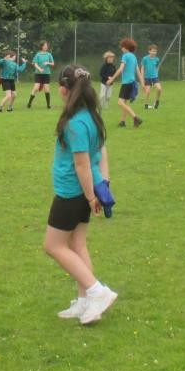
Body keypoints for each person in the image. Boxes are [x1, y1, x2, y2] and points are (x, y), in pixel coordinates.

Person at [43, 65, 118, 326]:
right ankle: (85, 302)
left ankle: (98, 292)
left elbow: (83, 164)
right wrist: (102, 186)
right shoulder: (91, 116)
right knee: (77, 245)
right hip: (86, 191)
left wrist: (89, 197)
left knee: (52, 246)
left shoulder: (75, 123)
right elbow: (103, 152)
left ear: (66, 89)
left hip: (71, 192)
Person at [114, 38, 144, 128]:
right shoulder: (133, 56)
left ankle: (135, 118)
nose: (121, 48)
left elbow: (121, 69)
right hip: (132, 82)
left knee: (120, 102)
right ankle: (122, 122)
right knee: (125, 102)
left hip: (126, 83)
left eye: (122, 46)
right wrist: (142, 83)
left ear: (125, 47)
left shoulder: (125, 56)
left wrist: (112, 78)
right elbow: (138, 71)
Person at [28, 41, 55, 109]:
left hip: (46, 74)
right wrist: (39, 69)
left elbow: (53, 64)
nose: (46, 46)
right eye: (45, 45)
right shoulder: (38, 55)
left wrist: (48, 63)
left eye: (46, 45)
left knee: (47, 89)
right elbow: (34, 63)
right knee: (36, 88)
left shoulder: (49, 55)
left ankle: (48, 105)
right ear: (42, 46)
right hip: (38, 74)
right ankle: (29, 103)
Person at [141, 44, 162, 110]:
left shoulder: (157, 59)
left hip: (155, 77)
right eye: (153, 51)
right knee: (148, 92)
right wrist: (142, 78)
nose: (154, 52)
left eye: (155, 51)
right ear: (149, 51)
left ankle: (157, 101)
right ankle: (146, 105)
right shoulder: (145, 58)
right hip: (147, 77)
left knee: (159, 89)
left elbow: (157, 67)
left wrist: (156, 73)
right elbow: (142, 68)